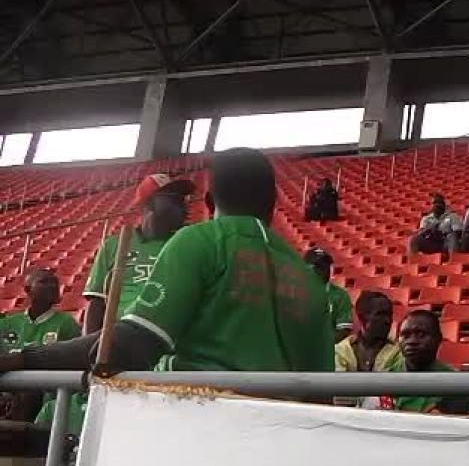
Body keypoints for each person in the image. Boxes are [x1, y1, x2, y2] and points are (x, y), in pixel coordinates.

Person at [0, 148, 335, 377]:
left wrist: (23, 358)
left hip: (199, 415)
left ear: (208, 201)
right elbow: (322, 390)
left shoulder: (199, 241)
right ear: (274, 203)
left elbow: (132, 343)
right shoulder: (310, 280)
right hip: (281, 435)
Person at [83, 173, 194, 333]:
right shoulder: (115, 244)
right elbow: (96, 302)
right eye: (173, 198)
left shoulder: (187, 243)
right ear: (147, 205)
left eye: (183, 199)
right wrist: (90, 349)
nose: (183, 205)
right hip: (121, 334)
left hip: (169, 337)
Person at [0, 269, 81, 424]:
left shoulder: (66, 324)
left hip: (45, 394)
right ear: (27, 290)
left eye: (55, 282)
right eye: (44, 282)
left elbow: (72, 363)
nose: (52, 285)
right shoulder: (7, 324)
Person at [379, 310, 456, 413]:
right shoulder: (383, 380)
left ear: (438, 338)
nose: (412, 341)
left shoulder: (455, 383)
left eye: (421, 334)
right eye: (405, 335)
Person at [335, 290, 399, 374]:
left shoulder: (398, 352)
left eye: (389, 315)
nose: (388, 321)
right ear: (362, 318)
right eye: (380, 314)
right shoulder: (341, 350)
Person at [304, 248, 354, 343]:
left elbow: (344, 331)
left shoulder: (340, 295)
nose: (323, 270)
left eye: (326, 266)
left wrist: (322, 345)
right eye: (317, 267)